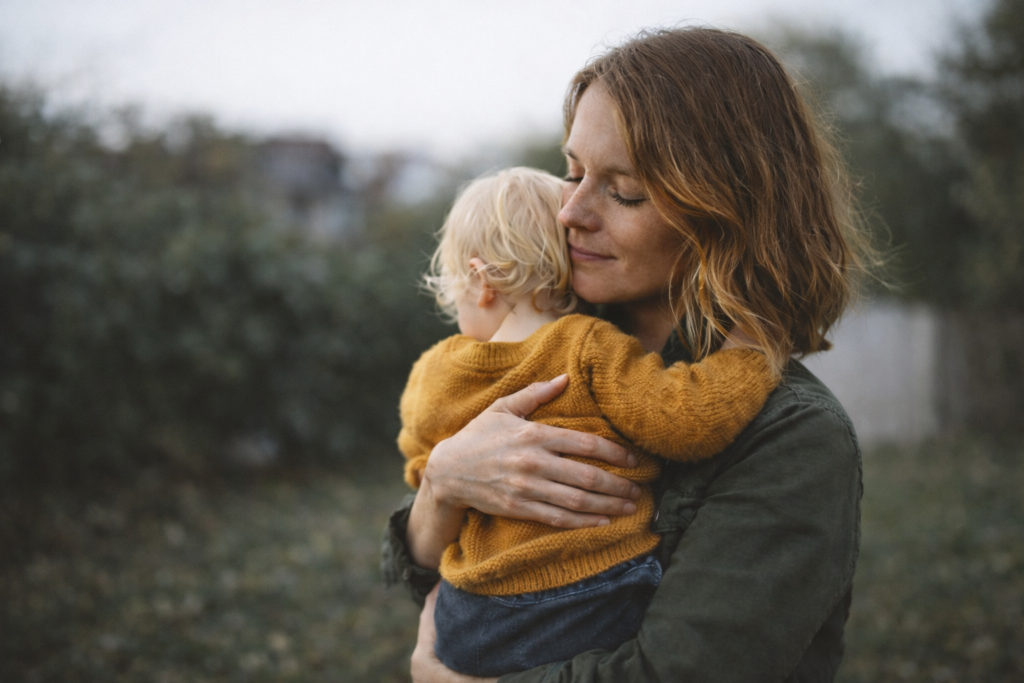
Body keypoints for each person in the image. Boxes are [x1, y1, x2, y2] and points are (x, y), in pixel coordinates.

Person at [382, 26, 869, 683]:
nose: (570, 212)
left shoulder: (795, 437)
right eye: (573, 173)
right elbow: (427, 570)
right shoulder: (541, 345)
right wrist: (443, 484)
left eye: (625, 190)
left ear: (726, 208)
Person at [397, 166, 778, 677]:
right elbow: (686, 420)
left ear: (480, 281)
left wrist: (440, 477)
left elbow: (422, 466)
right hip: (593, 595)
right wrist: (748, 353)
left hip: (469, 615)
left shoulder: (432, 373)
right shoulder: (587, 344)